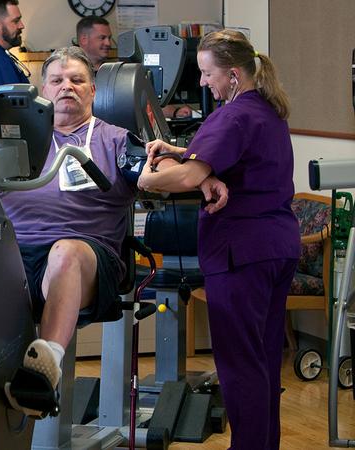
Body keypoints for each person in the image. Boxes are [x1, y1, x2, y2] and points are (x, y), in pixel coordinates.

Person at [0, 47, 145, 405]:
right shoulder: (12, 142)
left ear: (93, 90)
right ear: (43, 91)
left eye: (77, 80)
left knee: (66, 251)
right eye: (57, 81)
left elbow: (156, 171)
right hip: (14, 255)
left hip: (87, 257)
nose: (67, 87)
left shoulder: (116, 139)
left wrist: (194, 171)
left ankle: (44, 367)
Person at [136, 29, 299, 450]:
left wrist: (145, 177)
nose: (204, 82)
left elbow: (188, 176)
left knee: (240, 366)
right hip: (276, 246)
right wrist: (178, 150)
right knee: (261, 361)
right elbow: (214, 163)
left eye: (208, 74)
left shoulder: (234, 116)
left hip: (241, 251)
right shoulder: (267, 110)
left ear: (231, 74)